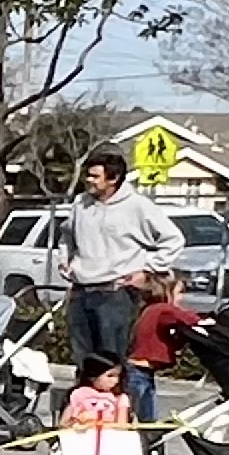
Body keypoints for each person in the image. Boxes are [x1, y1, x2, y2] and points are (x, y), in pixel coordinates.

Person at [64, 151, 184, 376]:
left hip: (115, 293)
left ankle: (117, 407)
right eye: (88, 175)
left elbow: (174, 239)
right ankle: (84, 406)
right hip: (81, 291)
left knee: (111, 361)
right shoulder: (81, 203)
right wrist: (67, 262)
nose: (89, 180)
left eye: (95, 176)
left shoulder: (137, 206)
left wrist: (147, 269)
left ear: (114, 178)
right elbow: (67, 236)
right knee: (83, 360)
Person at [124, 265, 206, 435]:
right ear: (166, 293)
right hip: (140, 372)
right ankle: (150, 448)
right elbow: (184, 317)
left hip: (140, 371)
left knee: (141, 415)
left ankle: (148, 446)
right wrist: (204, 322)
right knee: (145, 418)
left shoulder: (149, 310)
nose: (181, 298)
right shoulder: (163, 309)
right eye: (179, 293)